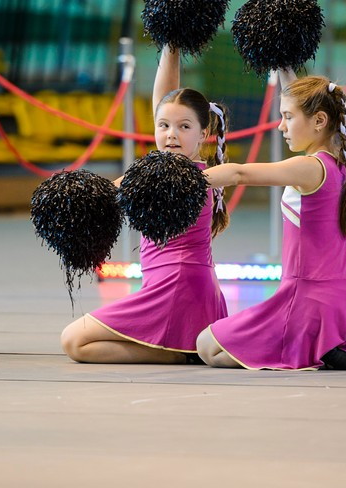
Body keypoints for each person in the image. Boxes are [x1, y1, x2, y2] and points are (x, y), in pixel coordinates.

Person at [196, 75, 346, 371]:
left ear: (320, 121)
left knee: (206, 346)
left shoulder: (309, 167)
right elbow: (308, 97)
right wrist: (284, 64)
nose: (281, 126)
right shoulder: (341, 163)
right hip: (343, 305)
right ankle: (326, 344)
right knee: (223, 351)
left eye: (287, 117)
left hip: (307, 301)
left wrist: (179, 179)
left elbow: (239, 174)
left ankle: (316, 343)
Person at [60, 44, 229, 364]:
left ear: (204, 134)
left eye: (184, 127)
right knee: (76, 343)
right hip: (172, 287)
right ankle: (181, 350)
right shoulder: (165, 167)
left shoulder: (185, 177)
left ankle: (178, 355)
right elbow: (164, 101)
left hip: (177, 288)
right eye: (163, 126)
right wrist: (172, 46)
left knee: (74, 342)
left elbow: (114, 191)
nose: (171, 134)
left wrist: (82, 197)